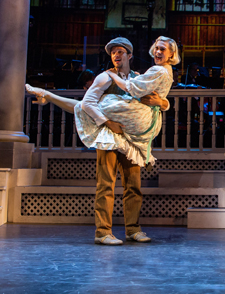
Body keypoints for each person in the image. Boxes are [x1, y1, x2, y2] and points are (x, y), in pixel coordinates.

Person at [26, 36, 178, 245]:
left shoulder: (136, 77)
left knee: (133, 185)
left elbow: (152, 96)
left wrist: (163, 103)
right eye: (113, 52)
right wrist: (108, 122)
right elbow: (86, 104)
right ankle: (103, 232)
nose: (116, 55)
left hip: (130, 137)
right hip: (109, 134)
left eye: (120, 51)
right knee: (106, 184)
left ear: (129, 55)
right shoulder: (105, 77)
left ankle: (133, 229)